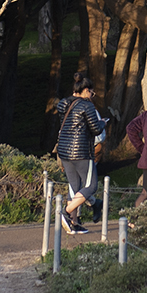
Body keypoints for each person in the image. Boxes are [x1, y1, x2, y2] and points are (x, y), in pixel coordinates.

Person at [54, 71, 106, 235]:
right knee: (90, 186)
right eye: (91, 92)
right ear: (85, 91)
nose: (92, 95)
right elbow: (96, 129)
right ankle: (66, 212)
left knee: (74, 186)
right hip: (81, 151)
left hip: (65, 152)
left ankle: (73, 224)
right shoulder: (87, 105)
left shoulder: (64, 104)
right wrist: (102, 123)